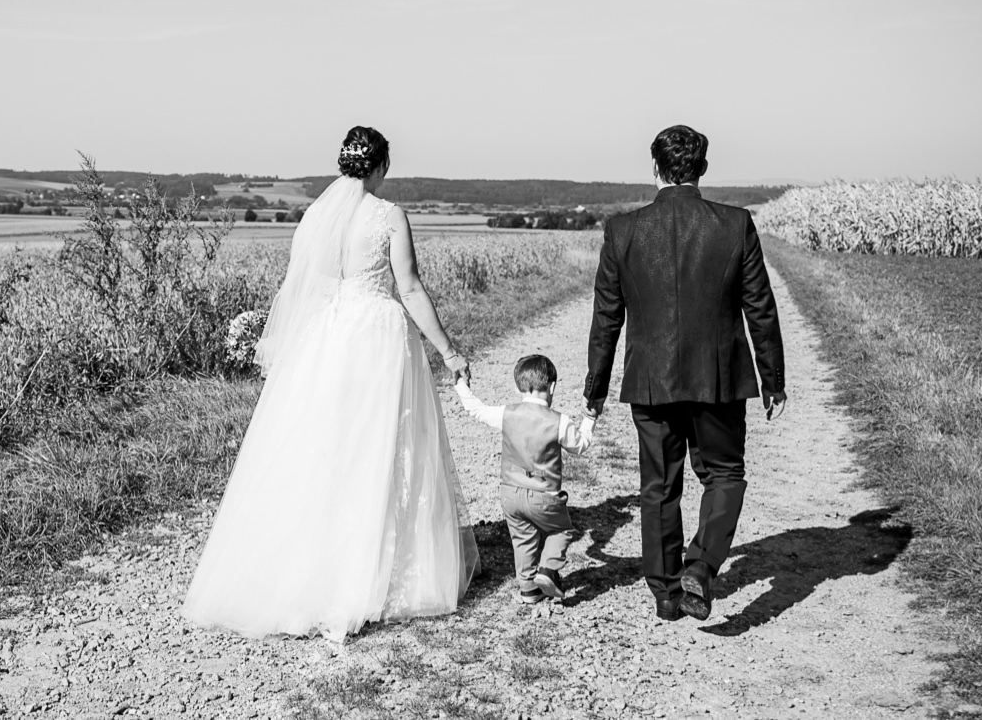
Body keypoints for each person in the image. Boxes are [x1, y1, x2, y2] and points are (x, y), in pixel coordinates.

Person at [182, 126, 479, 641]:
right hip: (376, 339)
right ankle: (379, 572)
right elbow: (408, 287)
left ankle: (307, 570)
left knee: (322, 448)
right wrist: (448, 350)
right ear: (381, 166)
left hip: (325, 337)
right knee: (378, 447)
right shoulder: (389, 217)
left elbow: (308, 287)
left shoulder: (316, 216)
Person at [584, 124, 786, 622]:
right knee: (725, 474)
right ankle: (701, 564)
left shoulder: (622, 231)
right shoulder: (736, 224)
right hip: (717, 376)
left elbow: (607, 315)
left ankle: (666, 593)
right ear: (703, 169)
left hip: (650, 380)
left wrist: (596, 389)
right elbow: (759, 306)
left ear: (654, 168)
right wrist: (773, 380)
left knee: (658, 485)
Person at [454, 354, 596, 607]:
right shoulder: (559, 421)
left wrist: (460, 384)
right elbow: (580, 445)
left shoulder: (507, 414)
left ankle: (529, 589)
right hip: (544, 496)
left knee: (523, 538)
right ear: (552, 387)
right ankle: (548, 570)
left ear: (517, 387)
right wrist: (590, 420)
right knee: (561, 530)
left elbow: (475, 409)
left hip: (510, 494)